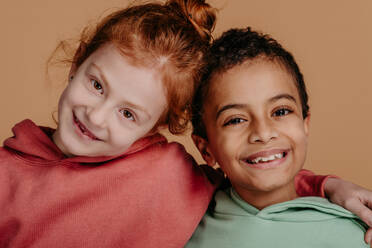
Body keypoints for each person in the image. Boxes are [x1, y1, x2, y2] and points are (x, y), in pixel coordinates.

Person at [0, 1, 371, 247]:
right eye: (96, 86)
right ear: (78, 61)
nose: (96, 116)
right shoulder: (5, 175)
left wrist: (329, 186)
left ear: (155, 128)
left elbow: (258, 173)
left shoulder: (166, 171)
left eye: (128, 114)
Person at [187, 26, 370, 247]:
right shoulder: (182, 229)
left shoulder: (356, 235)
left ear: (305, 124)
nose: (263, 133)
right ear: (206, 149)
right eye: (235, 120)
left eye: (281, 111)